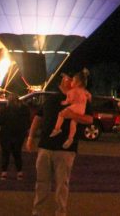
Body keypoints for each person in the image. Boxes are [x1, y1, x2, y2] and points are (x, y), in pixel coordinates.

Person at [26, 72, 93, 216]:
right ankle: (38, 212)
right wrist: (31, 137)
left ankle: (60, 213)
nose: (67, 80)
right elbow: (38, 118)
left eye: (70, 78)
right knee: (41, 182)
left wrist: (73, 115)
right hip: (45, 147)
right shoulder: (50, 99)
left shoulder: (81, 98)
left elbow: (89, 119)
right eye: (66, 78)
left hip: (65, 150)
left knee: (61, 185)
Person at [48, 69, 91, 150]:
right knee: (73, 122)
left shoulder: (73, 91)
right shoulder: (84, 91)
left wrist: (65, 102)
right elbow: (88, 96)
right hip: (82, 109)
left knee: (61, 114)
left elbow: (69, 100)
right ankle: (70, 138)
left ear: (77, 83)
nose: (71, 83)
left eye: (72, 81)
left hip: (75, 107)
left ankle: (57, 128)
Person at [0, 93, 29, 180]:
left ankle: (4, 172)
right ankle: (19, 172)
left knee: (5, 154)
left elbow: (0, 121)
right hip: (18, 135)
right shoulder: (23, 110)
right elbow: (26, 122)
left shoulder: (5, 110)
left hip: (6, 135)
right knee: (17, 153)